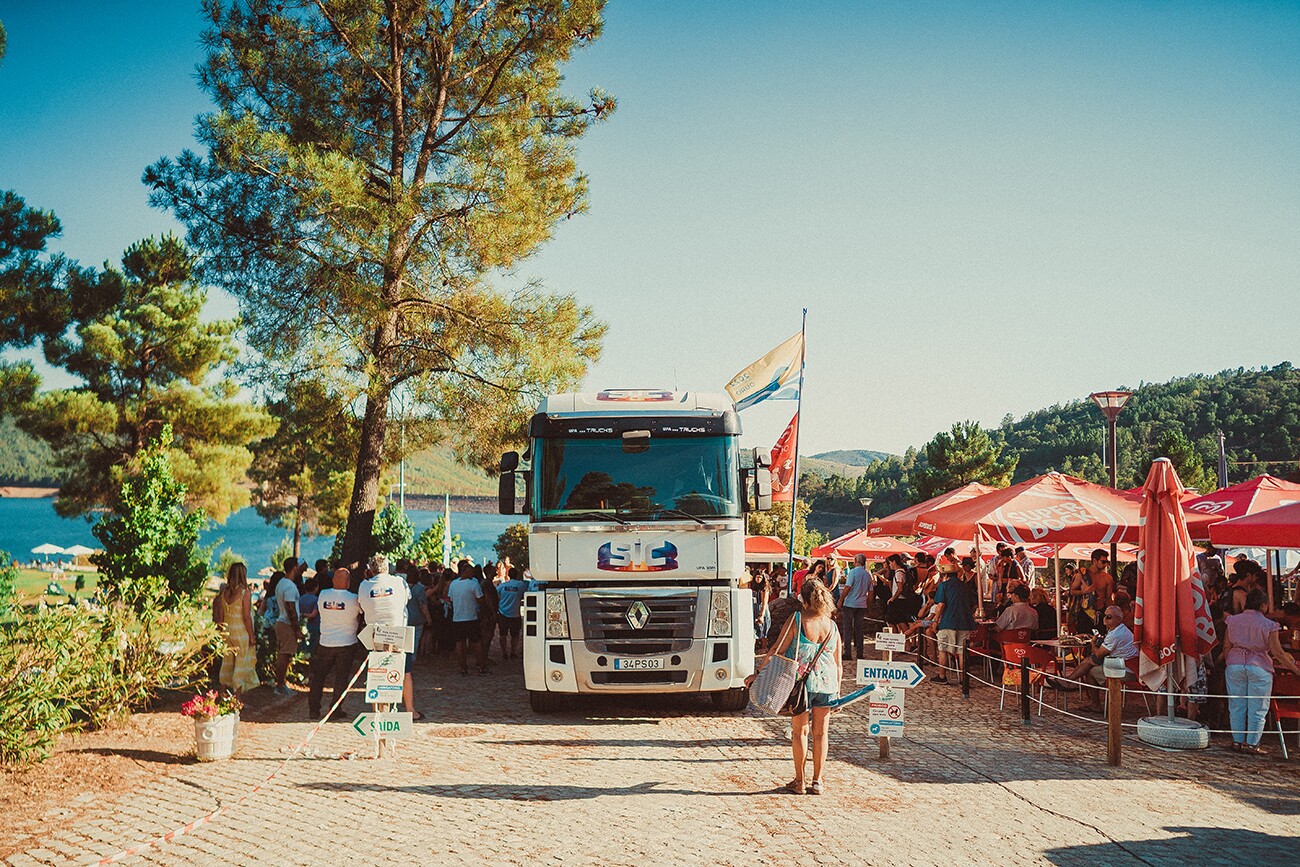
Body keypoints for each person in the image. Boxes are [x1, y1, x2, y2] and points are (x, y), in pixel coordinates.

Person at [746, 579, 842, 795]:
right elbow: (838, 664)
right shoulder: (832, 626)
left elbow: (777, 650)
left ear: (803, 600)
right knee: (821, 733)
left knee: (800, 732)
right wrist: (837, 692)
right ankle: (818, 781)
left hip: (801, 685)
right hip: (827, 685)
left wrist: (758, 674)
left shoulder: (797, 619)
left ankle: (800, 781)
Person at [1223, 589, 1300, 755]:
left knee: (1236, 705)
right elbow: (1278, 652)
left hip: (1235, 664)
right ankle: (1252, 744)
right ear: (1263, 605)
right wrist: (1295, 670)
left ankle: (1237, 741)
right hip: (1259, 666)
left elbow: (1226, 646)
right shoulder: (1269, 625)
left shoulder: (1233, 621)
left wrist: (1230, 661)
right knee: (1257, 708)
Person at [358, 555, 422, 719]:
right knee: (406, 672)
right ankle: (410, 709)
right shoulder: (399, 582)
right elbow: (407, 599)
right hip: (398, 633)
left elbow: (361, 606)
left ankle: (378, 711)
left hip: (375, 635)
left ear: (370, 570)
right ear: (388, 567)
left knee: (376, 672)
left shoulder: (364, 586)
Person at [310, 567, 361, 721]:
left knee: (318, 677)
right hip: (347, 643)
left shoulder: (323, 595)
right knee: (341, 678)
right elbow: (361, 614)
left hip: (325, 642)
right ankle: (335, 709)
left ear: (333, 580)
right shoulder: (354, 599)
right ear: (348, 582)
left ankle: (313, 710)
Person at [1067, 605, 1139, 711]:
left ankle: (1070, 683)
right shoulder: (1119, 629)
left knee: (1090, 668)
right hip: (1124, 666)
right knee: (1089, 663)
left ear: (1118, 619)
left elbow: (1098, 654)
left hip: (1125, 671)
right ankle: (1069, 681)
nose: (1105, 619)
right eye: (1104, 616)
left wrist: (1092, 643)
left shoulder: (1116, 634)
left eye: (1109, 617)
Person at [214, 562, 259, 695]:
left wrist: (220, 632)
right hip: (241, 632)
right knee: (240, 665)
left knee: (227, 664)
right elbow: (246, 617)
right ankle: (237, 699)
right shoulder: (245, 593)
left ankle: (222, 694)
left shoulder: (224, 592)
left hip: (227, 631)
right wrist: (252, 636)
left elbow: (220, 615)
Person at [931, 561, 976, 684]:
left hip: (948, 622)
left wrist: (936, 620)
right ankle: (963, 679)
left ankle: (942, 676)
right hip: (964, 623)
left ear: (945, 575)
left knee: (943, 649)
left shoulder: (944, 586)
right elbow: (973, 605)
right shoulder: (965, 586)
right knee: (962, 652)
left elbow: (940, 605)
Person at [448, 560, 487, 675]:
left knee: (460, 643)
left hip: (457, 618)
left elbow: (450, 599)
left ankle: (462, 667)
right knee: (477, 643)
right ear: (466, 572)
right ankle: (481, 666)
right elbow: (481, 600)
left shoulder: (453, 584)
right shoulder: (473, 584)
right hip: (471, 617)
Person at [272, 563, 301, 696]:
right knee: (285, 654)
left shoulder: (281, 583)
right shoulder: (289, 586)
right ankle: (280, 685)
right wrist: (297, 629)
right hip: (287, 624)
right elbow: (290, 608)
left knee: (283, 653)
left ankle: (280, 683)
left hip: (281, 622)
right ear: (294, 568)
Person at [838, 553, 873, 661]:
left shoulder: (853, 572)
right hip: (861, 605)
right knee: (859, 629)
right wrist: (869, 605)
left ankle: (847, 653)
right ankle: (859, 653)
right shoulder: (868, 575)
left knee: (848, 629)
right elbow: (871, 592)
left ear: (856, 562)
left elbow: (848, 587)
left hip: (850, 603)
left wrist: (841, 599)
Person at [496, 566, 528, 660]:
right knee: (515, 635)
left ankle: (504, 652)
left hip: (503, 612)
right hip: (515, 613)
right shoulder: (521, 585)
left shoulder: (502, 586)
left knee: (503, 634)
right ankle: (513, 652)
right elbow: (525, 594)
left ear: (508, 575)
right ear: (517, 575)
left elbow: (496, 595)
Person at [406, 569, 431, 674]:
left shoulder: (403, 586)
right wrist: (428, 618)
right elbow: (423, 605)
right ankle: (412, 660)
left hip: (406, 618)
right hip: (417, 618)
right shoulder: (419, 588)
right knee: (415, 641)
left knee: (406, 641)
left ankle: (406, 660)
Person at [298, 577, 321, 655]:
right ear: (316, 588)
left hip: (302, 625)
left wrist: (302, 615)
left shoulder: (300, 599)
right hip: (314, 626)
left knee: (302, 646)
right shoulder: (316, 600)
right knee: (312, 647)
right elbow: (313, 614)